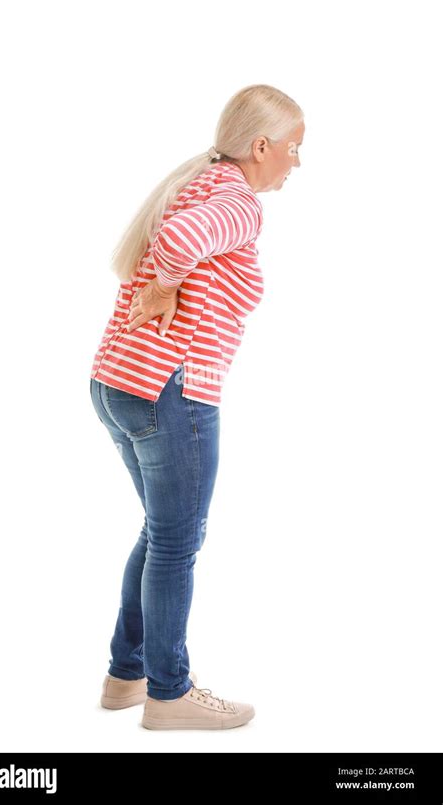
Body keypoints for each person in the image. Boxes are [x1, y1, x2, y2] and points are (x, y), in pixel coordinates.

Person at [89, 83, 305, 730]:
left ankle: (126, 675)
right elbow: (181, 244)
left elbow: (177, 239)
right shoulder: (237, 201)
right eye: (294, 148)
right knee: (178, 540)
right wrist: (163, 286)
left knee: (163, 533)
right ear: (261, 146)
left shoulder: (199, 183)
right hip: (172, 389)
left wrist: (161, 287)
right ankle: (169, 691)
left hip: (119, 382)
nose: (297, 161)